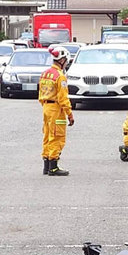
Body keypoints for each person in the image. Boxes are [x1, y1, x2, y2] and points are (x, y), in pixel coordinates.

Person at [39, 46, 74, 176]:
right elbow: (63, 98)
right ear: (62, 60)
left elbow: (40, 92)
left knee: (48, 136)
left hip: (46, 108)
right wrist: (69, 114)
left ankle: (46, 165)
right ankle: (53, 166)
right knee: (57, 136)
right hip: (56, 109)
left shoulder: (45, 73)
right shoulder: (60, 76)